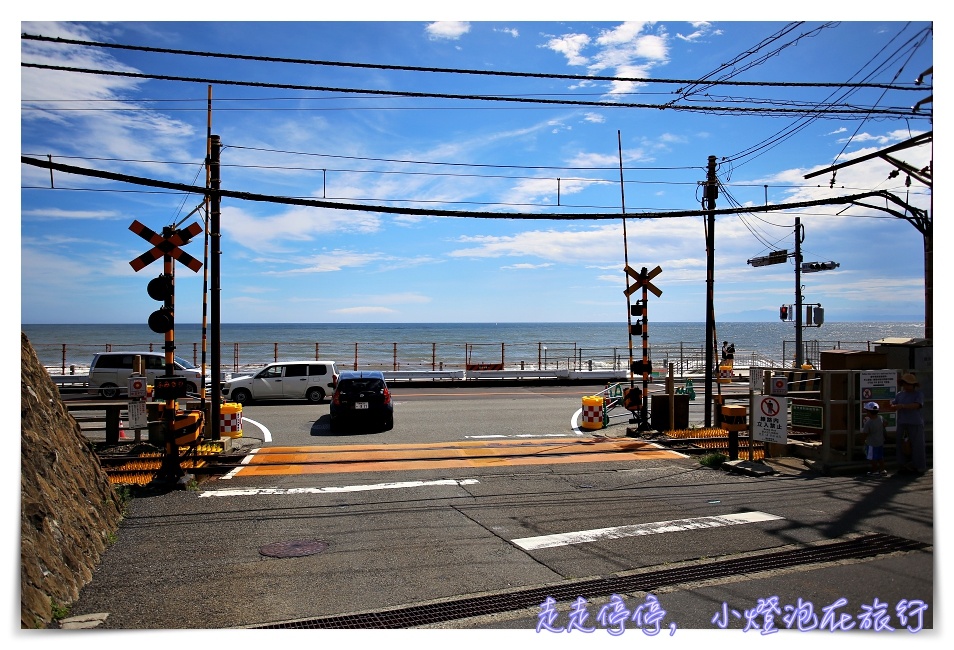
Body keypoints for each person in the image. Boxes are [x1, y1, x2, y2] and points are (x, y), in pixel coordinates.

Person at [891, 372, 926, 475]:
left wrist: (902, 406)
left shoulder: (918, 394)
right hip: (902, 422)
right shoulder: (899, 394)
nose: (907, 386)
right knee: (901, 444)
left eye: (909, 384)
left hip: (915, 422)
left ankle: (918, 466)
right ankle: (903, 465)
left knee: (917, 445)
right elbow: (893, 404)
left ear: (914, 385)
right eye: (905, 384)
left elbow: (917, 405)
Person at [861, 401, 886, 476]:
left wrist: (862, 441)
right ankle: (882, 470)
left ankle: (874, 470)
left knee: (872, 458)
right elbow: (885, 423)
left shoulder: (868, 423)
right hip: (880, 442)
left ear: (869, 412)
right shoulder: (881, 418)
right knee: (880, 457)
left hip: (871, 443)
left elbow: (865, 433)